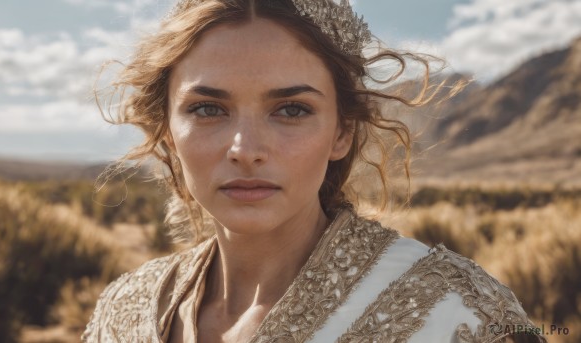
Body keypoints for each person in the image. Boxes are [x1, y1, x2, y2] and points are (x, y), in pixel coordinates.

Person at [82, 0, 546, 342]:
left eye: (290, 110)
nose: (246, 150)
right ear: (166, 132)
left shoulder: (457, 313)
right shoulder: (126, 311)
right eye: (207, 108)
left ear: (341, 133)